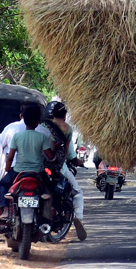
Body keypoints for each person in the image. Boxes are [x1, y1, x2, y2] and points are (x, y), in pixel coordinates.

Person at [0, 102, 53, 229]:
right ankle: (47, 209)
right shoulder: (42, 137)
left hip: (19, 171)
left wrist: (7, 169)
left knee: (3, 184)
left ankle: (5, 211)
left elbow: (10, 157)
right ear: (38, 121)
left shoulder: (17, 136)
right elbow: (49, 156)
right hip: (37, 172)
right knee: (49, 187)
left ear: (23, 118)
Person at [41, 100, 87, 241]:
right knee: (77, 192)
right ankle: (78, 217)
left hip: (40, 166)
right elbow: (69, 154)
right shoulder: (67, 128)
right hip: (58, 168)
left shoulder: (41, 126)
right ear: (65, 114)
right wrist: (79, 162)